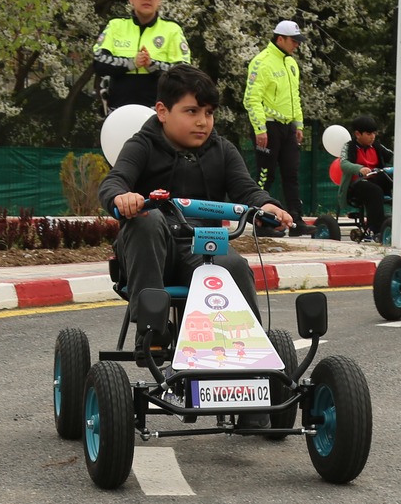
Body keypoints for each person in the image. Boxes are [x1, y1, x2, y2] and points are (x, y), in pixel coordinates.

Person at [99, 65, 291, 321]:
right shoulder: (141, 145)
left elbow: (247, 190)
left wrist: (267, 206)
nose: (202, 121)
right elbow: (114, 182)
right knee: (148, 217)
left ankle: (246, 343)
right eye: (191, 111)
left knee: (233, 266)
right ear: (162, 111)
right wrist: (122, 197)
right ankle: (151, 329)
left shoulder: (222, 150)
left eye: (209, 113)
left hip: (203, 248)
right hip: (152, 252)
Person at [91, 0, 192, 111]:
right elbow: (99, 62)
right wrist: (132, 63)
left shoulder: (172, 29)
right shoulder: (115, 25)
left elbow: (184, 73)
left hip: (158, 114)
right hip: (118, 110)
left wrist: (152, 65)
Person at [244, 20, 306, 231]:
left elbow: (295, 96)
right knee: (265, 175)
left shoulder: (291, 63)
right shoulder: (261, 61)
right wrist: (259, 128)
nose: (297, 44)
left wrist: (299, 124)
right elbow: (251, 98)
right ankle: (260, 220)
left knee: (291, 173)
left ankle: (296, 220)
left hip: (288, 126)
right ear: (280, 38)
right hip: (268, 126)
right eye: (294, 40)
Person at [338, 114, 401, 238]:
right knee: (375, 191)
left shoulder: (376, 146)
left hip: (375, 180)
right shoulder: (349, 147)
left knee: (395, 183)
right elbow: (344, 163)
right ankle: (376, 230)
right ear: (358, 134)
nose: (372, 137)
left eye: (374, 133)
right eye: (369, 134)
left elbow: (392, 156)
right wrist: (359, 168)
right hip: (357, 185)